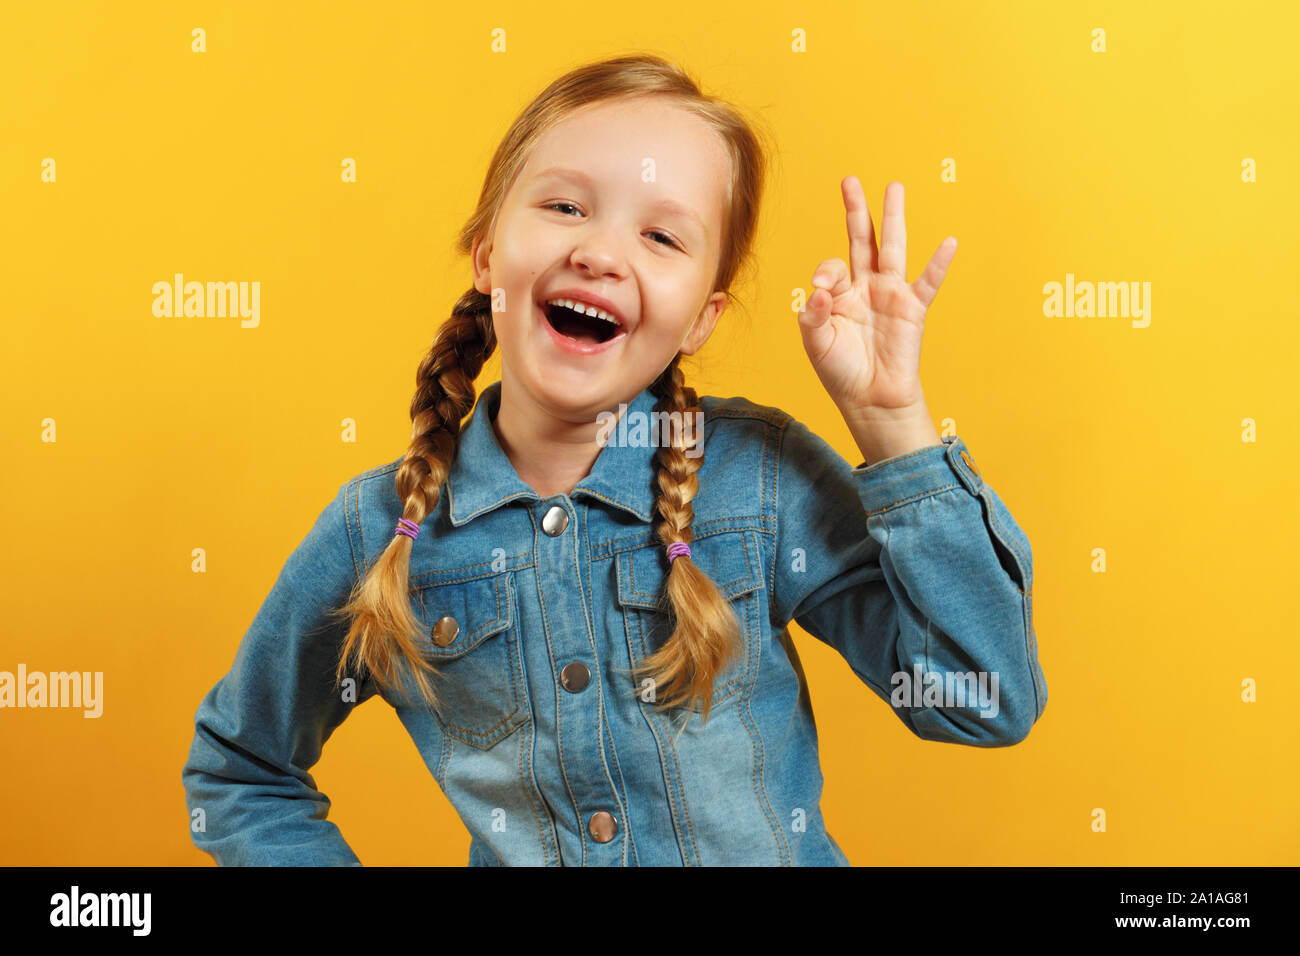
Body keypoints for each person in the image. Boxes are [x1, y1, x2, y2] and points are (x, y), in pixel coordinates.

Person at [182, 53, 1047, 866]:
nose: (599, 251)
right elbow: (239, 773)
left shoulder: (759, 478)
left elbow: (984, 701)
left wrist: (893, 425)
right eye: (565, 207)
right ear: (488, 255)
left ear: (701, 319)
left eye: (663, 237)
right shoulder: (379, 533)